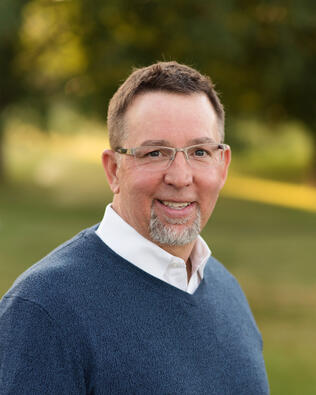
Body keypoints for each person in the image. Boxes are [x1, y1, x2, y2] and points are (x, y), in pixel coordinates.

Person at [0, 61, 269, 394]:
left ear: (223, 166)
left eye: (200, 151)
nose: (181, 177)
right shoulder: (45, 310)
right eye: (155, 153)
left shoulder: (228, 293)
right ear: (114, 170)